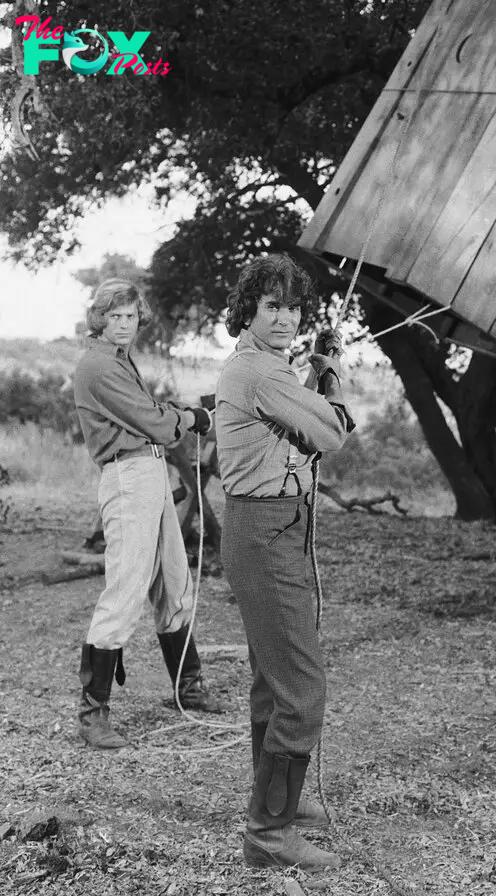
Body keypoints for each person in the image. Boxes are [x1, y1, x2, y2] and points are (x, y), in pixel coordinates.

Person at [215, 253, 355, 871]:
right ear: (248, 311)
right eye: (272, 306)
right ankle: (268, 835)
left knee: (274, 679)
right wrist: (334, 384)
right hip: (263, 532)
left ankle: (282, 804)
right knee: (302, 685)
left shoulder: (272, 369)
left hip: (276, 529)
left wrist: (318, 379)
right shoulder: (261, 374)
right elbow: (334, 434)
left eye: (293, 306)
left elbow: (309, 424)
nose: (285, 318)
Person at [73, 278, 227, 750]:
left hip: (149, 473)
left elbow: (150, 413)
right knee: (125, 590)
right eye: (114, 316)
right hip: (128, 476)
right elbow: (156, 423)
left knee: (174, 582)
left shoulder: (118, 362)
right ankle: (92, 713)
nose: (123, 324)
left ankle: (188, 686)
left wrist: (179, 415)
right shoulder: (99, 365)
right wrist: (191, 418)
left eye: (130, 316)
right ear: (99, 318)